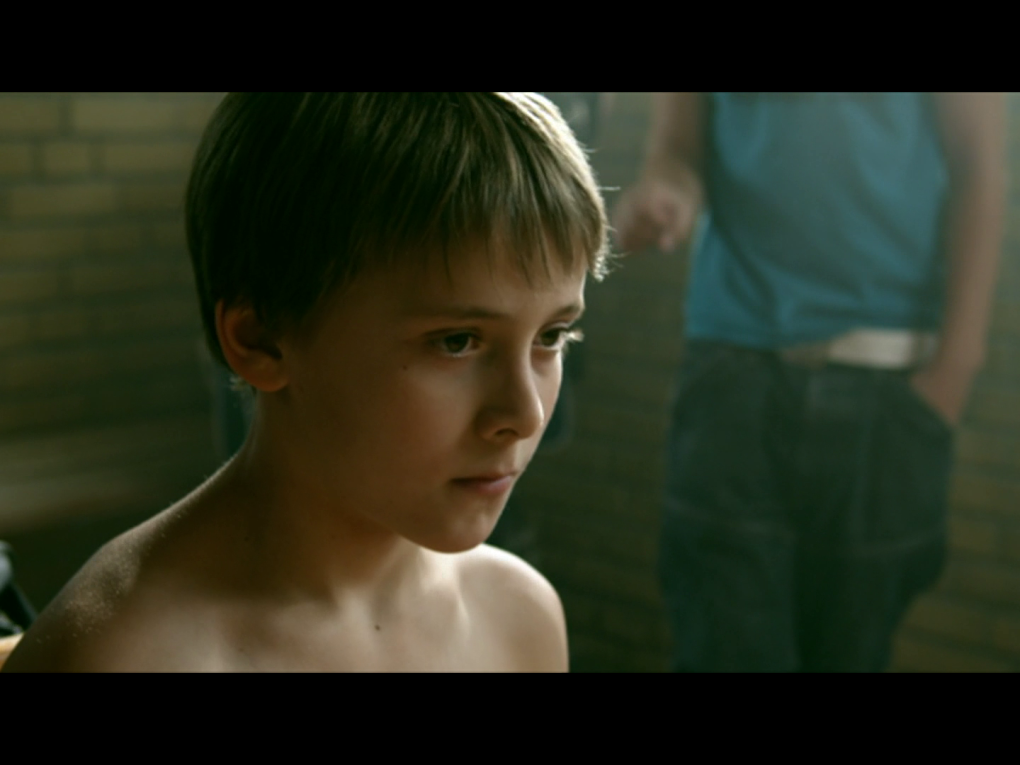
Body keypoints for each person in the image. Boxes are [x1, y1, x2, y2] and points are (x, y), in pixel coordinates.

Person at [3, 92, 610, 672]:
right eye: (456, 342)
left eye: (552, 336)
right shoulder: (124, 657)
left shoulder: (519, 620)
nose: (525, 414)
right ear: (262, 340)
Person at [613, 92, 1005, 672]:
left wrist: (954, 370)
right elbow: (677, 151)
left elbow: (980, 165)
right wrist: (666, 193)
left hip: (889, 392)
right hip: (731, 379)